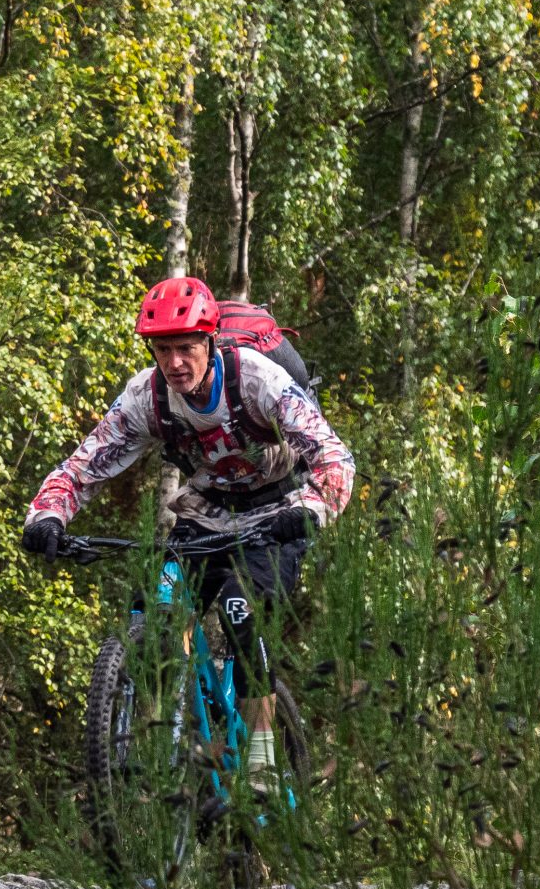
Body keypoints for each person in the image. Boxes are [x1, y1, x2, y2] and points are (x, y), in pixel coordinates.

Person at [20, 276, 355, 767]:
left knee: (241, 610)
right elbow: (84, 465)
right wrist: (46, 516)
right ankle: (172, 744)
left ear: (209, 342)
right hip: (207, 510)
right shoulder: (146, 396)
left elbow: (332, 456)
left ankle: (262, 760)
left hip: (278, 510)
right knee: (153, 608)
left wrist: (313, 508)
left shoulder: (257, 379)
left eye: (185, 348)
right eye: (162, 350)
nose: (174, 363)